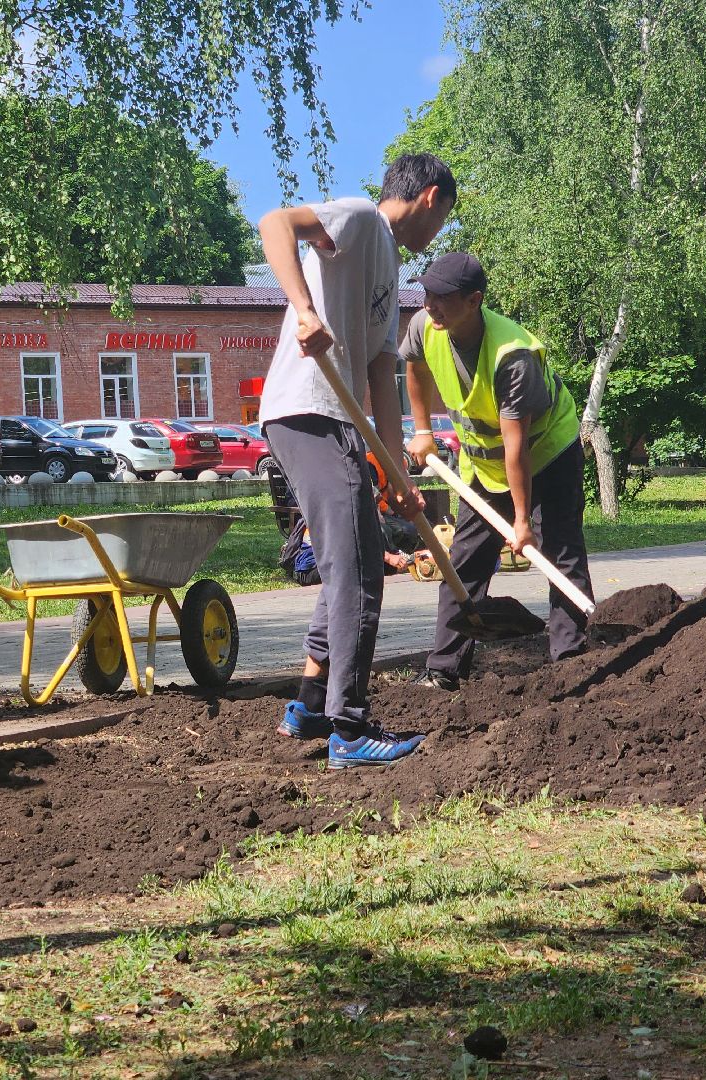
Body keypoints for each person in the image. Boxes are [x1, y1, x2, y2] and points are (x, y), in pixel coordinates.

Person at [258, 152, 455, 768]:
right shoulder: (362, 218)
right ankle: (349, 726)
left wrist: (396, 472)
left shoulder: (389, 266)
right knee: (357, 573)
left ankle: (313, 705)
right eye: (443, 217)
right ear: (429, 198)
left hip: (339, 419)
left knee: (362, 558)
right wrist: (305, 311)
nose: (439, 231)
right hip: (304, 409)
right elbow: (274, 223)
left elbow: (379, 371)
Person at [403, 252, 593, 689]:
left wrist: (522, 523)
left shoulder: (513, 355)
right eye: (427, 293)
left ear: (474, 301)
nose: (430, 304)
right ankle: (444, 671)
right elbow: (413, 367)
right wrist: (422, 429)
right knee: (463, 562)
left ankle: (571, 664)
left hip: (546, 455)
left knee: (558, 555)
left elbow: (517, 447)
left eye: (443, 298)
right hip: (483, 463)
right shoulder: (425, 327)